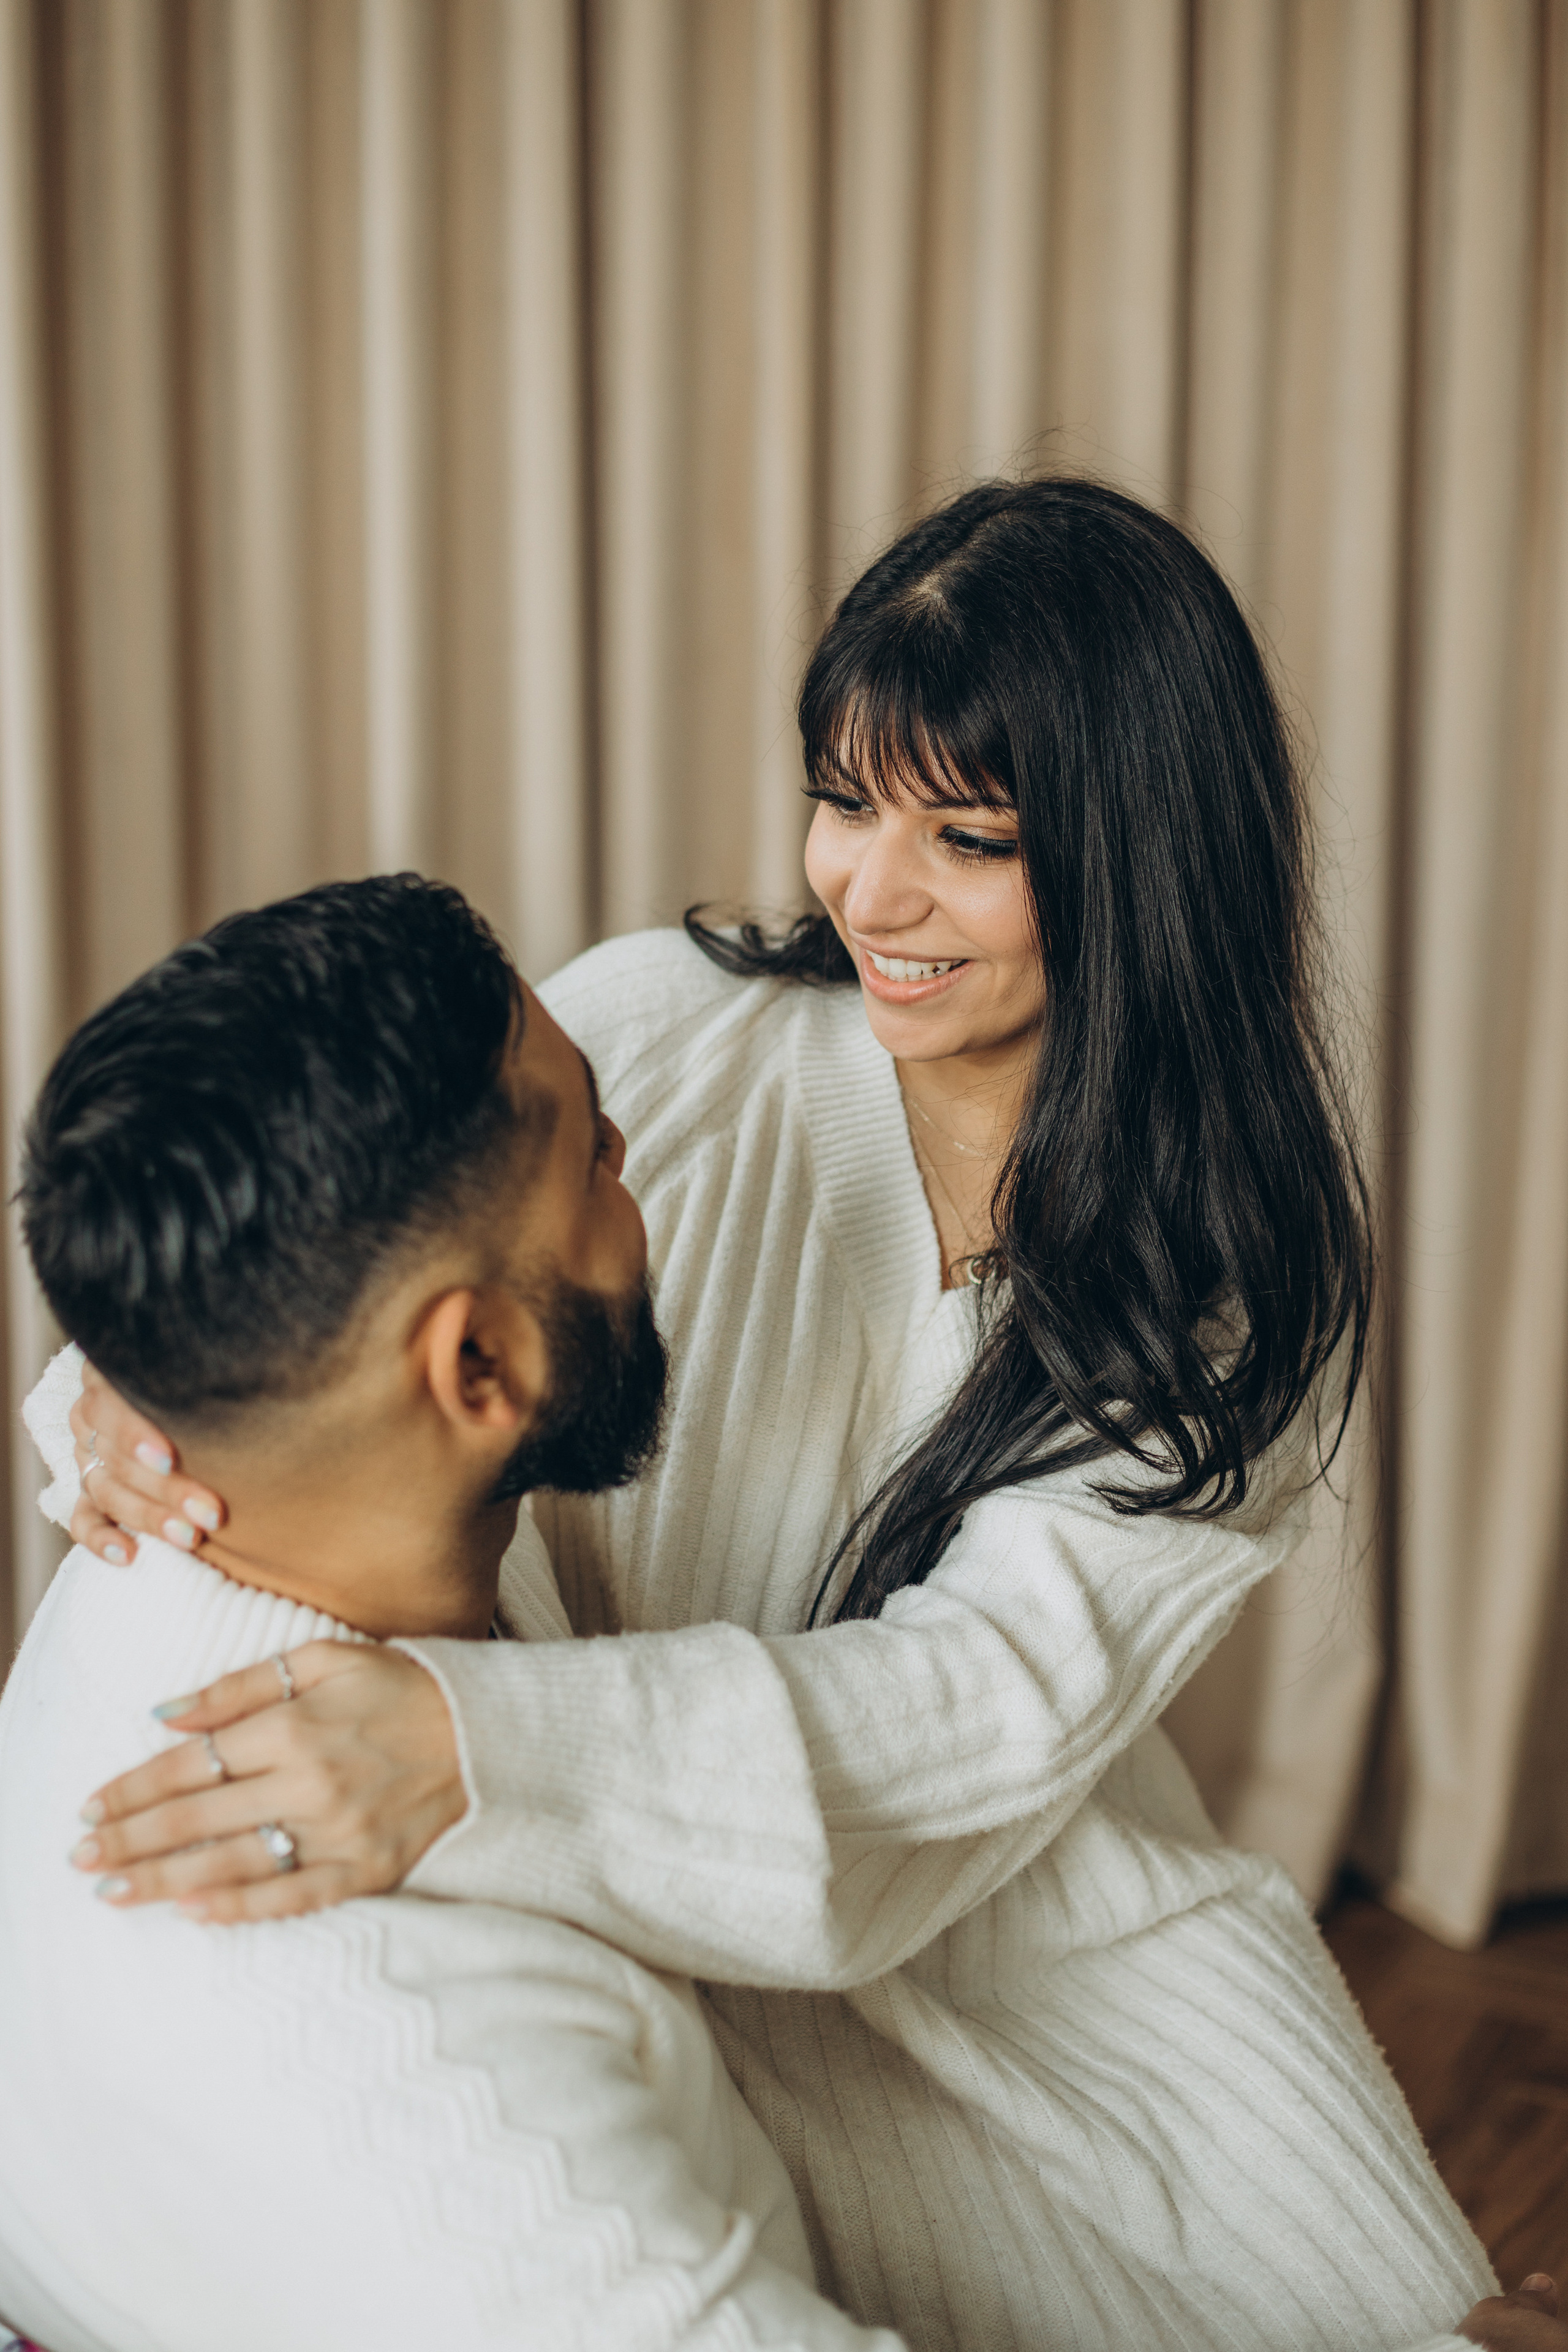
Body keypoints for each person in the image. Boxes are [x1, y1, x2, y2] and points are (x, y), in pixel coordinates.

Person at [48, 482, 1521, 2350]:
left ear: (1142, 858)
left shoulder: (1224, 1280)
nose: (867, 892)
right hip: (627, 1877)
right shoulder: (668, 1023)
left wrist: (491, 1750)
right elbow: (334, 1245)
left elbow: (981, 1709)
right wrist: (110, 1395)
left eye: (965, 838)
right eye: (844, 800)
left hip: (1004, 1929)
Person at [0, 877, 900, 2352]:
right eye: (594, 1157)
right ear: (475, 1367)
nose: (633, 1165)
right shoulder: (470, 2132)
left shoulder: (173, 1502)